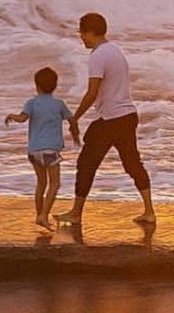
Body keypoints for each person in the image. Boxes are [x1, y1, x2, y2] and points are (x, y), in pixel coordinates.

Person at [56, 12, 155, 228]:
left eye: (82, 33)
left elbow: (92, 92)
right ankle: (149, 211)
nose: (81, 38)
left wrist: (75, 117)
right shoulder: (115, 51)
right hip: (128, 115)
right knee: (132, 163)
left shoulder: (98, 56)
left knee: (86, 164)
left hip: (111, 118)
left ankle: (76, 213)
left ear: (89, 33)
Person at [5, 66, 79, 230]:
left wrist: (12, 116)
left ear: (36, 85)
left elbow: (22, 118)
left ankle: (39, 214)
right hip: (50, 151)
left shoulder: (31, 103)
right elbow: (72, 120)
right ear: (55, 85)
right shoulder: (59, 104)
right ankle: (44, 215)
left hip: (33, 151)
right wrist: (76, 136)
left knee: (41, 183)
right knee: (55, 184)